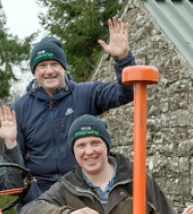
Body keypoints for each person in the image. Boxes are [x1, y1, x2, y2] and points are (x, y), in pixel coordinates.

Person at [12, 17, 136, 203]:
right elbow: (16, 163)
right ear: (34, 71)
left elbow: (126, 92)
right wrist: (33, 197)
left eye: (55, 64)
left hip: (84, 188)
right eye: (42, 66)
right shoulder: (20, 108)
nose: (49, 71)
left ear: (63, 67)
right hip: (39, 192)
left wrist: (123, 60)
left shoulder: (87, 93)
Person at [19, 115, 178, 214]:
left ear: (106, 146)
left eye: (95, 143)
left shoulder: (138, 179)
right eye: (81, 145)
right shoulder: (67, 186)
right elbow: (28, 212)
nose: (89, 151)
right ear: (73, 151)